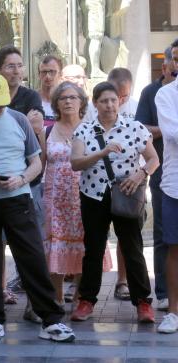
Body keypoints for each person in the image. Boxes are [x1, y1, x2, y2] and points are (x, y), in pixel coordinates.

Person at [0, 74, 75, 343]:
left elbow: (36, 162)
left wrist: (22, 179)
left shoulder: (18, 120)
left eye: (1, 104)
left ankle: (51, 319)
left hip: (18, 197)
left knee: (31, 256)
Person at [69, 81, 159, 324]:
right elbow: (75, 162)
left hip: (126, 192)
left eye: (113, 100)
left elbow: (153, 159)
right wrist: (102, 152)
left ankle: (143, 303)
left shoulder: (134, 126)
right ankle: (86, 300)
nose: (109, 105)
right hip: (93, 194)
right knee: (94, 249)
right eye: (103, 101)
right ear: (95, 103)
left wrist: (140, 174)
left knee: (132, 248)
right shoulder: (84, 130)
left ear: (119, 101)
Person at [42, 81, 112, 305]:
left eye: (73, 97)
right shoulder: (48, 131)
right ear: (56, 104)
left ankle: (82, 297)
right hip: (55, 199)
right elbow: (39, 165)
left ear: (82, 102)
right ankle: (57, 298)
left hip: (86, 195)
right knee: (55, 245)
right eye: (63, 98)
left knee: (86, 244)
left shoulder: (93, 129)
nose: (68, 101)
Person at [0, 45, 46, 321]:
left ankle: (34, 305)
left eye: (20, 65)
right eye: (11, 66)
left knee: (29, 248)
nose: (17, 71)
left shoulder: (30, 96)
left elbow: (35, 130)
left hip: (27, 182)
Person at [138, 44, 177, 312]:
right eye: (174, 59)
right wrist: (164, 128)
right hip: (167, 175)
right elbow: (149, 130)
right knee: (166, 237)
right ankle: (164, 294)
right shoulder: (158, 94)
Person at [155, 44, 178, 333]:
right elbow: (172, 133)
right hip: (175, 185)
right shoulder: (166, 94)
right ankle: (174, 311)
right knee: (175, 250)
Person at [38, 55, 63, 127]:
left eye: (52, 72)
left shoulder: (66, 101)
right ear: (39, 75)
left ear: (60, 74)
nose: (48, 76)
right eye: (44, 72)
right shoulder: (32, 99)